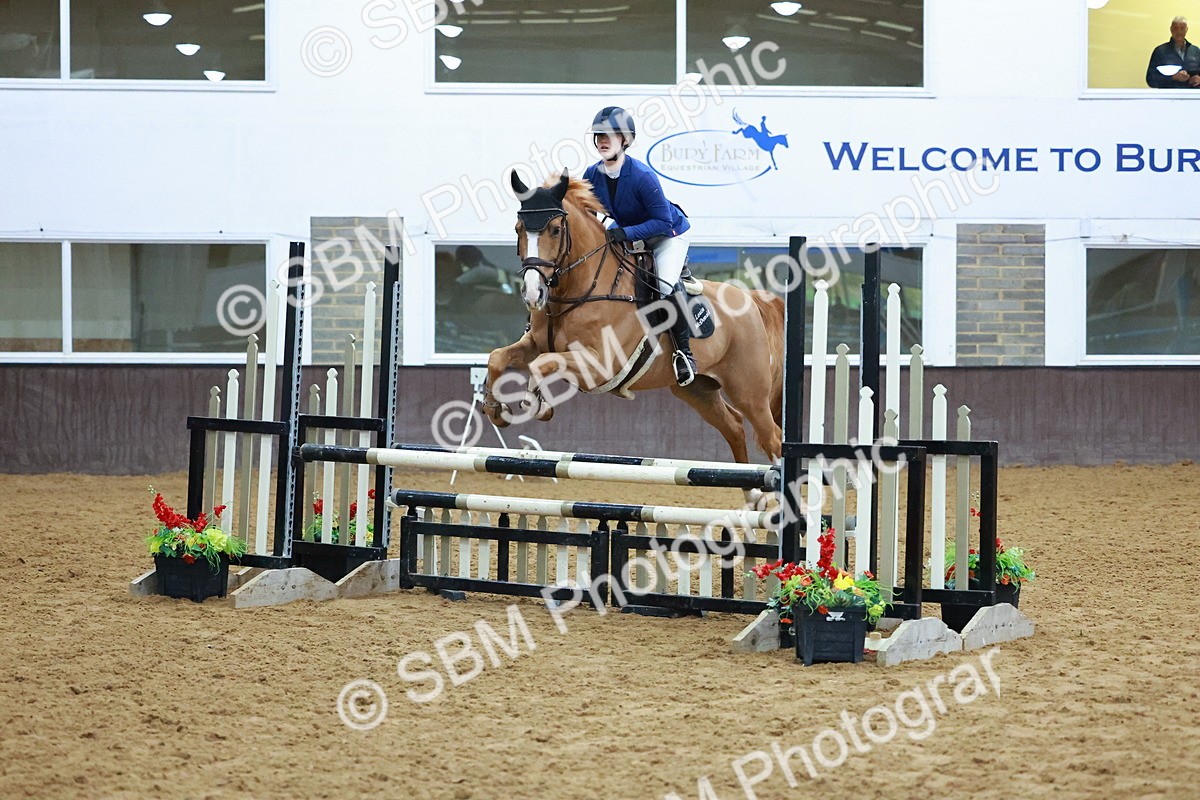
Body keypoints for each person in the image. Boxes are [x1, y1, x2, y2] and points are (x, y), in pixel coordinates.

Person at [582, 106, 698, 386]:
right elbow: (585, 213)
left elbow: (662, 220)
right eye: (599, 135)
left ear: (626, 140)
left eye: (611, 135)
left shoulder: (642, 176)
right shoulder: (592, 174)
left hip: (667, 234)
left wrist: (622, 233)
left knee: (664, 286)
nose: (603, 140)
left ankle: (684, 353)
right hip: (630, 234)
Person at [1146, 16, 1200, 88]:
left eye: (1182, 28)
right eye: (1176, 28)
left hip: (1192, 96)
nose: (1179, 31)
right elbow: (1150, 79)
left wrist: (1198, 79)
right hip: (1168, 96)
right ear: (1171, 29)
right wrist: (1173, 77)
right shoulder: (1160, 51)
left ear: (1186, 30)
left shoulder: (1196, 51)